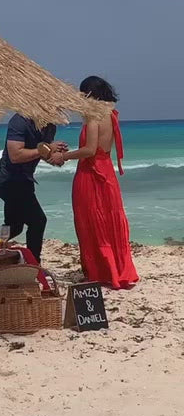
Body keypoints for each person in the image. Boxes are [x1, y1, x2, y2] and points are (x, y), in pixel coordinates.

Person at [53, 76, 138, 289]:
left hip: (90, 175)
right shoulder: (109, 115)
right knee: (110, 220)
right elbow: (101, 149)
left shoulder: (93, 117)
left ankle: (99, 271)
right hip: (106, 172)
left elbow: (90, 150)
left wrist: (63, 156)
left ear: (89, 94)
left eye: (82, 94)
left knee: (89, 221)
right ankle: (117, 269)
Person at [0, 114, 68, 263]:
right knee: (38, 221)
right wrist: (48, 149)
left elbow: (42, 153)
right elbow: (15, 155)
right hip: (9, 181)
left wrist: (57, 157)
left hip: (25, 182)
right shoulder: (20, 120)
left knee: (14, 226)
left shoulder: (50, 126)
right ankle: (33, 263)